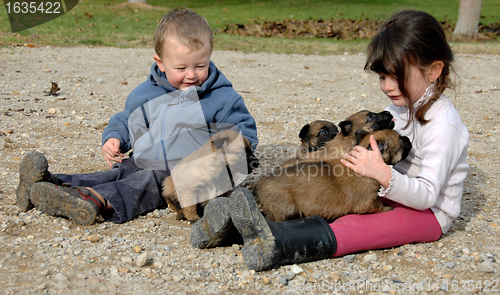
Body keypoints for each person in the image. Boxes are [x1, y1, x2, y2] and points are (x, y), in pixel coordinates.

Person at [190, 9, 469, 271]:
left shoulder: (443, 126)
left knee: (356, 228)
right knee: (330, 209)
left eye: (396, 77)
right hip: (388, 194)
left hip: (428, 214)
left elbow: (428, 196)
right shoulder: (401, 105)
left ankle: (279, 243)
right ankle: (233, 227)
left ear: (433, 71)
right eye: (382, 77)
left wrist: (384, 176)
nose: (386, 86)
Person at [16, 7, 258, 225]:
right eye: (181, 68)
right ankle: (50, 184)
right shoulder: (145, 93)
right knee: (117, 173)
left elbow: (244, 134)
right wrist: (115, 138)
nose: (192, 75)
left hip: (181, 173)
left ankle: (97, 201)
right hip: (142, 159)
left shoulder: (223, 98)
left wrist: (226, 157)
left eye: (200, 65)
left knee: (143, 183)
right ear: (160, 63)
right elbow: (126, 120)